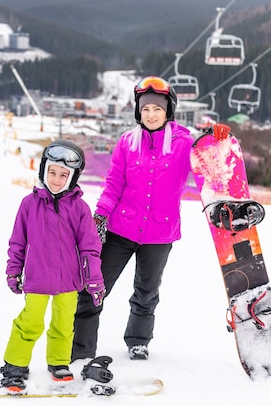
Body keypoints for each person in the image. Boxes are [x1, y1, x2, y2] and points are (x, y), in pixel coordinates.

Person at [71, 76, 230, 362]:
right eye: (145, 110)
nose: (151, 114)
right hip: (120, 229)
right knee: (93, 289)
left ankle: (138, 341)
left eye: (157, 109)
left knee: (146, 293)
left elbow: (207, 172)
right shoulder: (127, 143)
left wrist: (216, 142)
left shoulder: (184, 144)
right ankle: (81, 348)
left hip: (160, 234)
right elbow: (114, 185)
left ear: (168, 111)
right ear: (138, 112)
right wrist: (99, 217)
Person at [0, 139, 105, 392]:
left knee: (63, 323)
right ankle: (15, 365)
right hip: (36, 278)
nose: (57, 179)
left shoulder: (79, 208)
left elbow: (90, 247)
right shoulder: (29, 204)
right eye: (53, 172)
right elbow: (18, 242)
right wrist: (14, 270)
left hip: (69, 280)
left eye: (63, 175)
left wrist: (94, 280)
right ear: (44, 171)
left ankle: (58, 362)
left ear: (72, 177)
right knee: (30, 322)